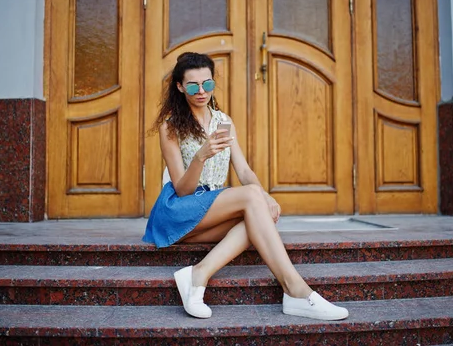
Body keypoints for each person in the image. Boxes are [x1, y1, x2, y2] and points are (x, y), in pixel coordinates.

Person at [142, 52, 348, 321]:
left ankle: (199, 273)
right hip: (177, 211)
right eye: (193, 85)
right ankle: (297, 290)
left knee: (260, 214)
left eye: (208, 84)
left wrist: (265, 196)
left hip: (207, 212)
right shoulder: (170, 127)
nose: (201, 91)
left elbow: (244, 171)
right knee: (253, 202)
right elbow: (183, 190)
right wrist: (200, 157)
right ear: (180, 87)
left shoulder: (223, 122)